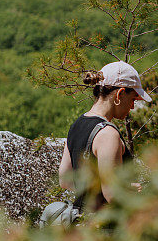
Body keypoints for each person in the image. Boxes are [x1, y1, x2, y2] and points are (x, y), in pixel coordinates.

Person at [58, 60, 152, 212]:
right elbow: (113, 196)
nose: (133, 106)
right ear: (120, 94)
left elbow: (65, 180)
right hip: (105, 229)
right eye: (133, 99)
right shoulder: (108, 135)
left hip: (80, 224)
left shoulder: (76, 125)